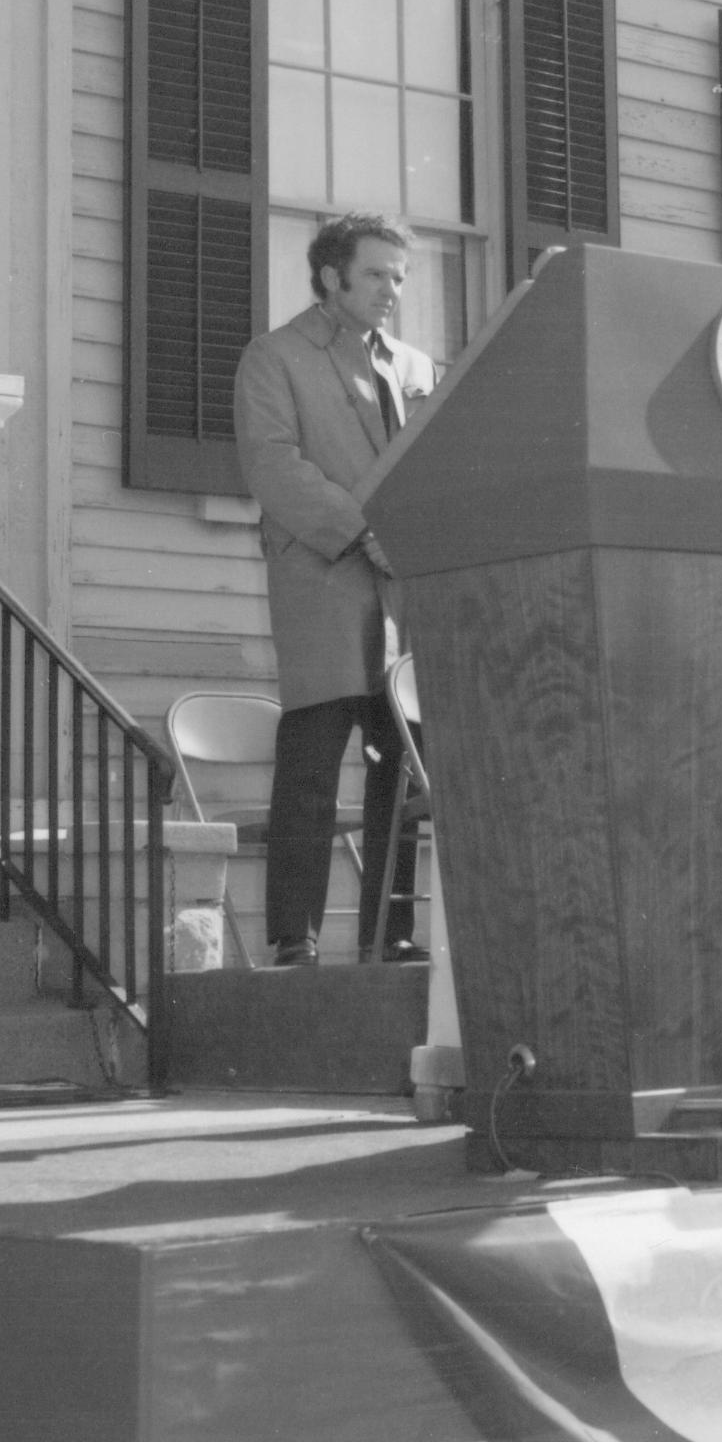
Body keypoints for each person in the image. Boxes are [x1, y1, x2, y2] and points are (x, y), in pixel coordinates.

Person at [232, 213, 437, 966]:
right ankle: (294, 942)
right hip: (326, 585)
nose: (393, 290)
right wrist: (363, 531)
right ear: (330, 276)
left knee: (403, 766)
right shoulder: (274, 358)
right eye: (378, 274)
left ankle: (392, 935)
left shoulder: (415, 367)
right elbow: (274, 467)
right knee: (313, 769)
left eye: (400, 277)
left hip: (404, 596)